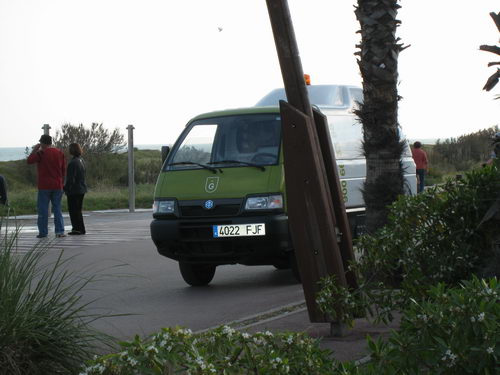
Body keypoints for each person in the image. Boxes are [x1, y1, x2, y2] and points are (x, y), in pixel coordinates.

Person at [27, 134, 66, 238]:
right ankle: (60, 231)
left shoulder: (41, 153)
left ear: (42, 143)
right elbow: (63, 169)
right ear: (50, 143)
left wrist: (34, 150)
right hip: (57, 184)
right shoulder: (59, 153)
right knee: (57, 208)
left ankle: (43, 232)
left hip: (44, 185)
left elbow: (29, 161)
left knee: (43, 209)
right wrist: (62, 182)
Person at [64, 143, 87, 235]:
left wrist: (66, 188)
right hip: (82, 188)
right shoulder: (81, 160)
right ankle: (81, 228)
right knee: (78, 210)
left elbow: (71, 179)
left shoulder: (72, 163)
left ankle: (76, 229)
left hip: (74, 190)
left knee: (73, 210)